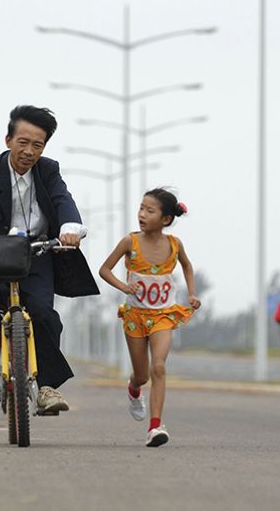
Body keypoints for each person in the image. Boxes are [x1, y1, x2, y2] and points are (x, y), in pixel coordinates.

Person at [0, 105, 99, 413]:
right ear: (8, 140)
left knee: (43, 314)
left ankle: (47, 387)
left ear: (44, 147)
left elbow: (63, 202)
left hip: (36, 253)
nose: (29, 151)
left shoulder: (49, 171)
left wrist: (70, 230)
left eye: (37, 145)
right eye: (23, 142)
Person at [99, 188, 201, 447]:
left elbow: (187, 265)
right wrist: (125, 287)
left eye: (150, 211)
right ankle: (134, 389)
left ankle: (155, 426)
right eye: (141, 208)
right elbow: (104, 270)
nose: (142, 214)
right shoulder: (129, 242)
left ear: (165, 219)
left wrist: (192, 293)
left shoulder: (174, 244)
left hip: (162, 315)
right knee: (142, 375)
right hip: (135, 316)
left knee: (159, 366)